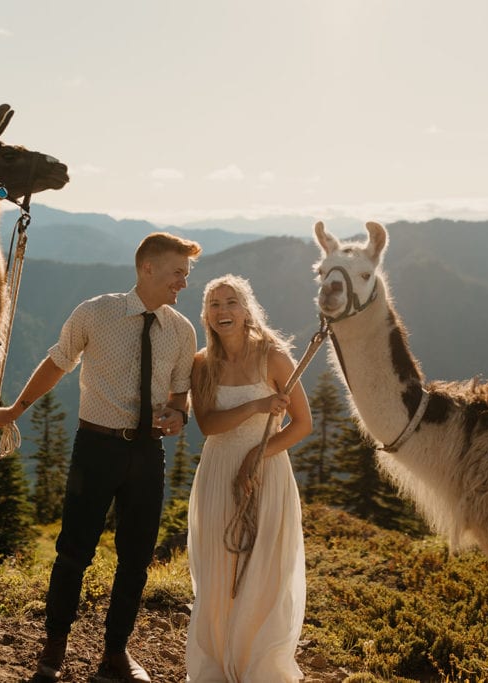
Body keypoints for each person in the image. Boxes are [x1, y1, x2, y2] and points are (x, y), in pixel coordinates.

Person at [0, 232, 203, 683]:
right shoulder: (94, 311)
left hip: (148, 452)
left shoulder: (182, 331)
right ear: (147, 267)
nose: (183, 283)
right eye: (177, 273)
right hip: (96, 448)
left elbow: (180, 391)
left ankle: (115, 653)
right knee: (73, 551)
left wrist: (179, 413)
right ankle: (54, 645)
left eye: (187, 274)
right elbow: (57, 361)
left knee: (136, 557)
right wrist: (16, 409)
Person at [185, 274, 312, 682]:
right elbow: (207, 424)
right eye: (215, 304)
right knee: (220, 572)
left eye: (231, 302)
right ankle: (221, 664)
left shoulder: (274, 357)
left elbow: (302, 423)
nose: (223, 311)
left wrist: (258, 455)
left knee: (263, 572)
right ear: (206, 314)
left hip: (267, 471)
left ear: (246, 309)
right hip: (220, 470)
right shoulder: (202, 363)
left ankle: (259, 667)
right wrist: (257, 404)